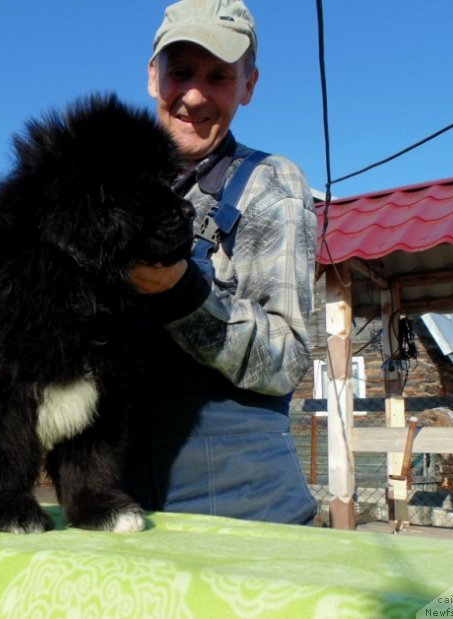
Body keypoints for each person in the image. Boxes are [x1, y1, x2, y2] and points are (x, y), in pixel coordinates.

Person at [123, 0, 318, 525]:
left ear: (248, 86)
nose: (193, 95)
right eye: (180, 71)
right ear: (151, 76)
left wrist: (181, 293)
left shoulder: (270, 186)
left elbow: (287, 360)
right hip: (122, 502)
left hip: (243, 508)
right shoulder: (110, 191)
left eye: (218, 76)